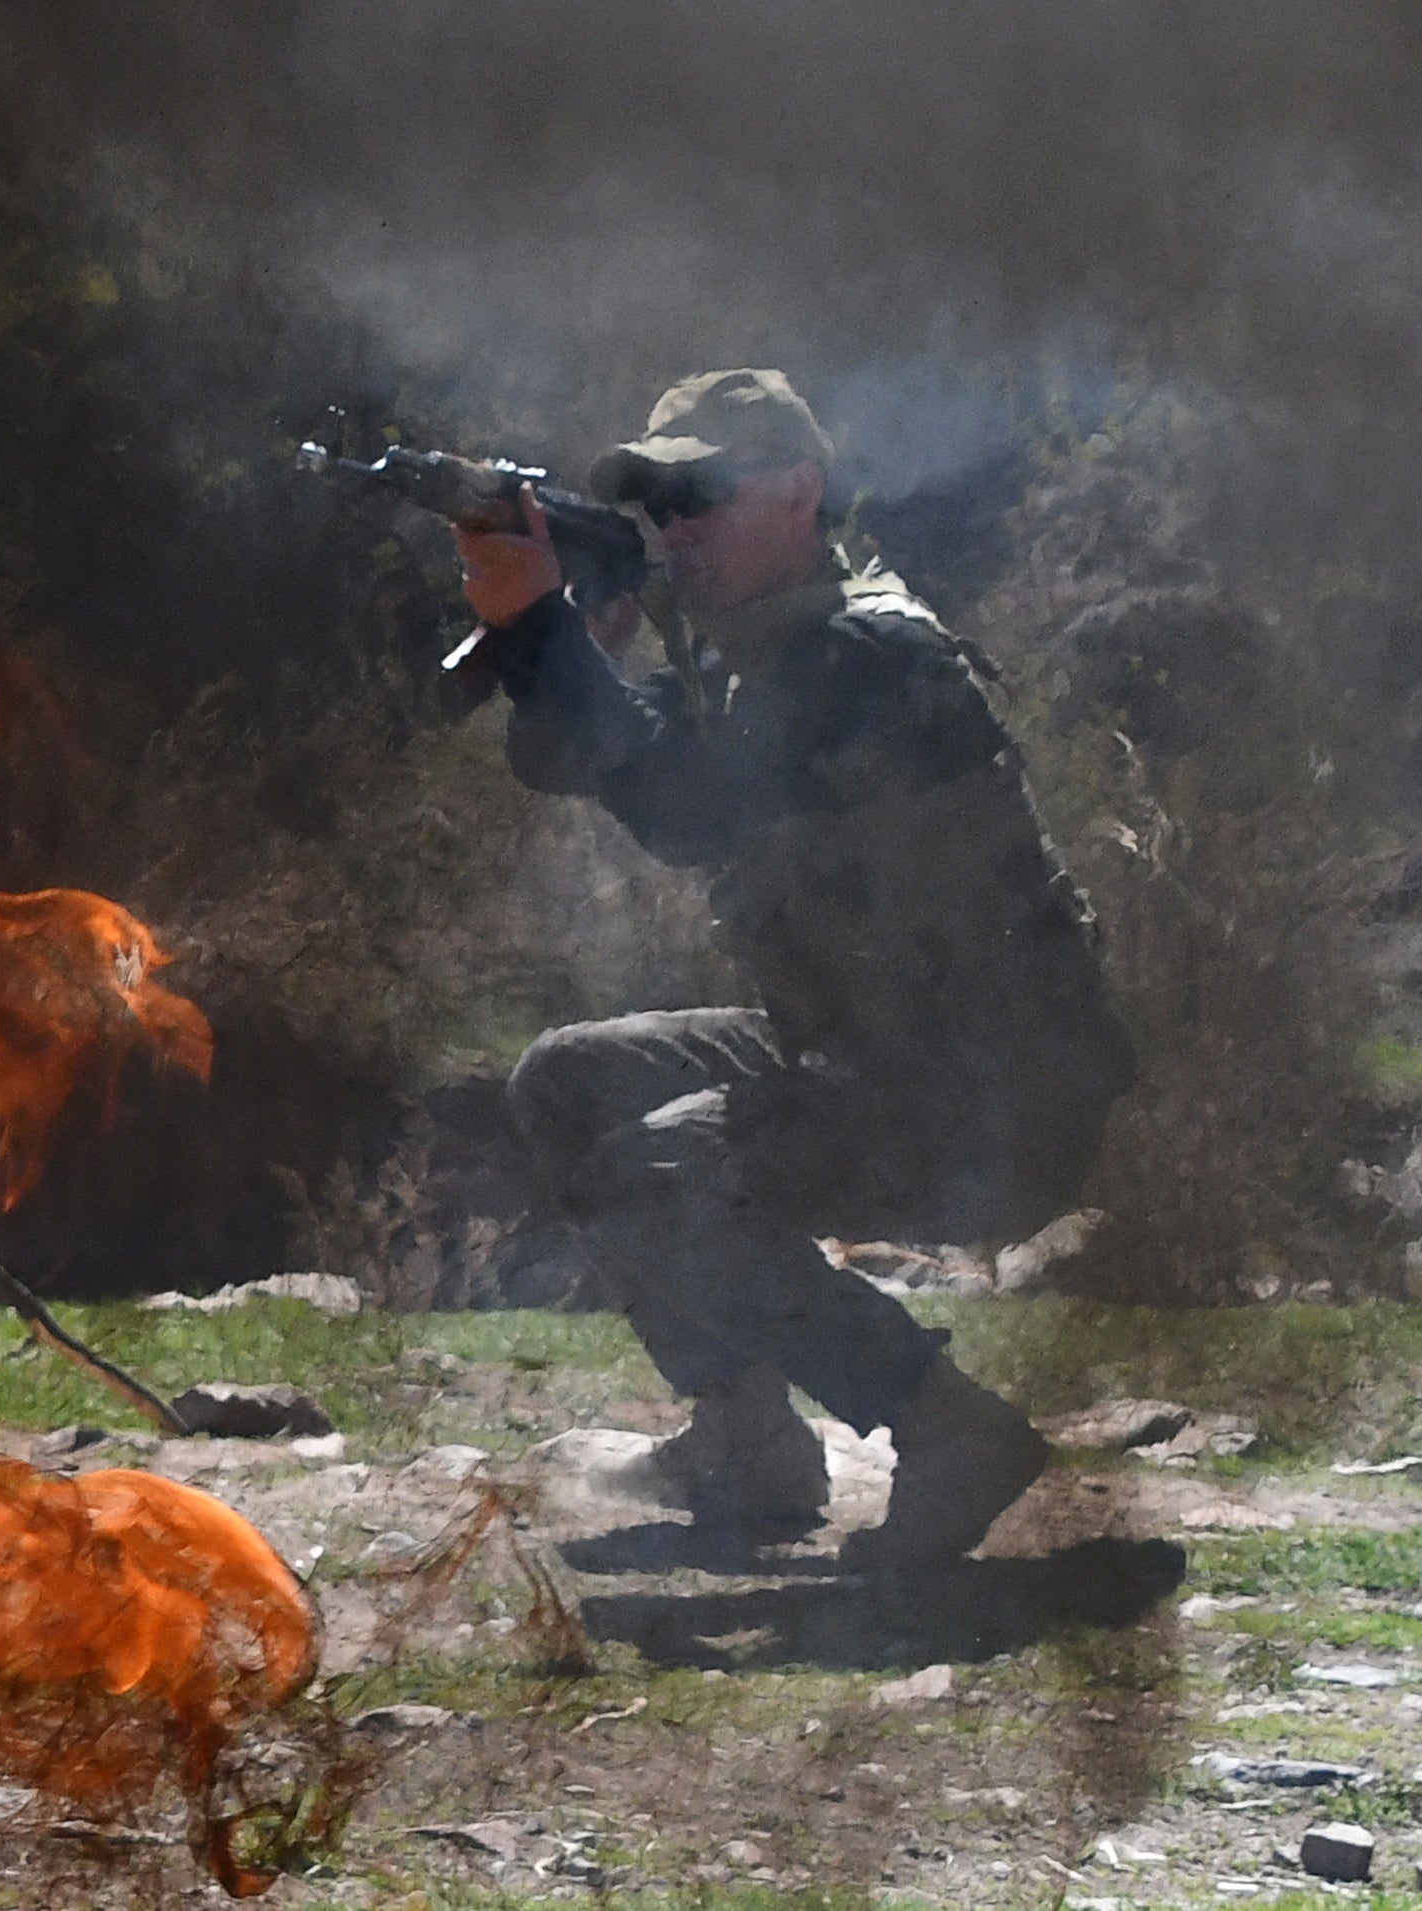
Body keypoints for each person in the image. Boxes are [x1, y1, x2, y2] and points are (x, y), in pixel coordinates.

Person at [451, 369, 1134, 1565]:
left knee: (662, 1167)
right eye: (658, 506)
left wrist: (555, 629)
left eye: (701, 492)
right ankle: (746, 1443)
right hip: (876, 1055)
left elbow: (684, 812)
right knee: (572, 1080)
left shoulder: (863, 653)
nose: (679, 527)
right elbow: (569, 760)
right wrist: (556, 634)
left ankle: (944, 1425)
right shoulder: (759, 661)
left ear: (801, 489)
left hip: (992, 1097)